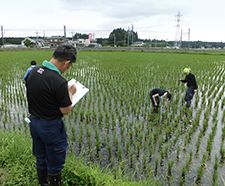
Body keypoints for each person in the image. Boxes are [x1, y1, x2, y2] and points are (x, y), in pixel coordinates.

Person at [25, 45, 77, 186]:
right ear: (66, 62)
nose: (68, 69)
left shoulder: (33, 71)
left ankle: (43, 183)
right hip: (50, 126)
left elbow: (41, 92)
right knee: (55, 160)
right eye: (69, 66)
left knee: (40, 156)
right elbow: (66, 110)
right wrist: (70, 93)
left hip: (34, 123)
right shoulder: (58, 81)